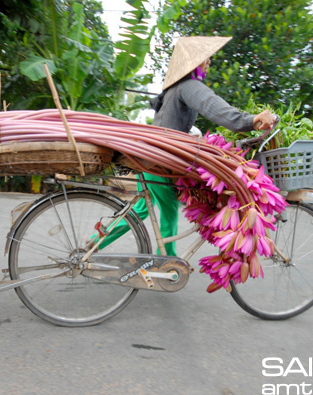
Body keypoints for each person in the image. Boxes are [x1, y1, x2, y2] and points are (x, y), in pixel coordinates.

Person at [99, 36, 275, 256]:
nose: (209, 61)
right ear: (194, 61)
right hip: (160, 159)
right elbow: (215, 108)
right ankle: (168, 259)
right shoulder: (189, 86)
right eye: (206, 57)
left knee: (143, 211)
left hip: (152, 155)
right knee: (167, 209)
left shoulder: (176, 88)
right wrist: (250, 120)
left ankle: (96, 242)